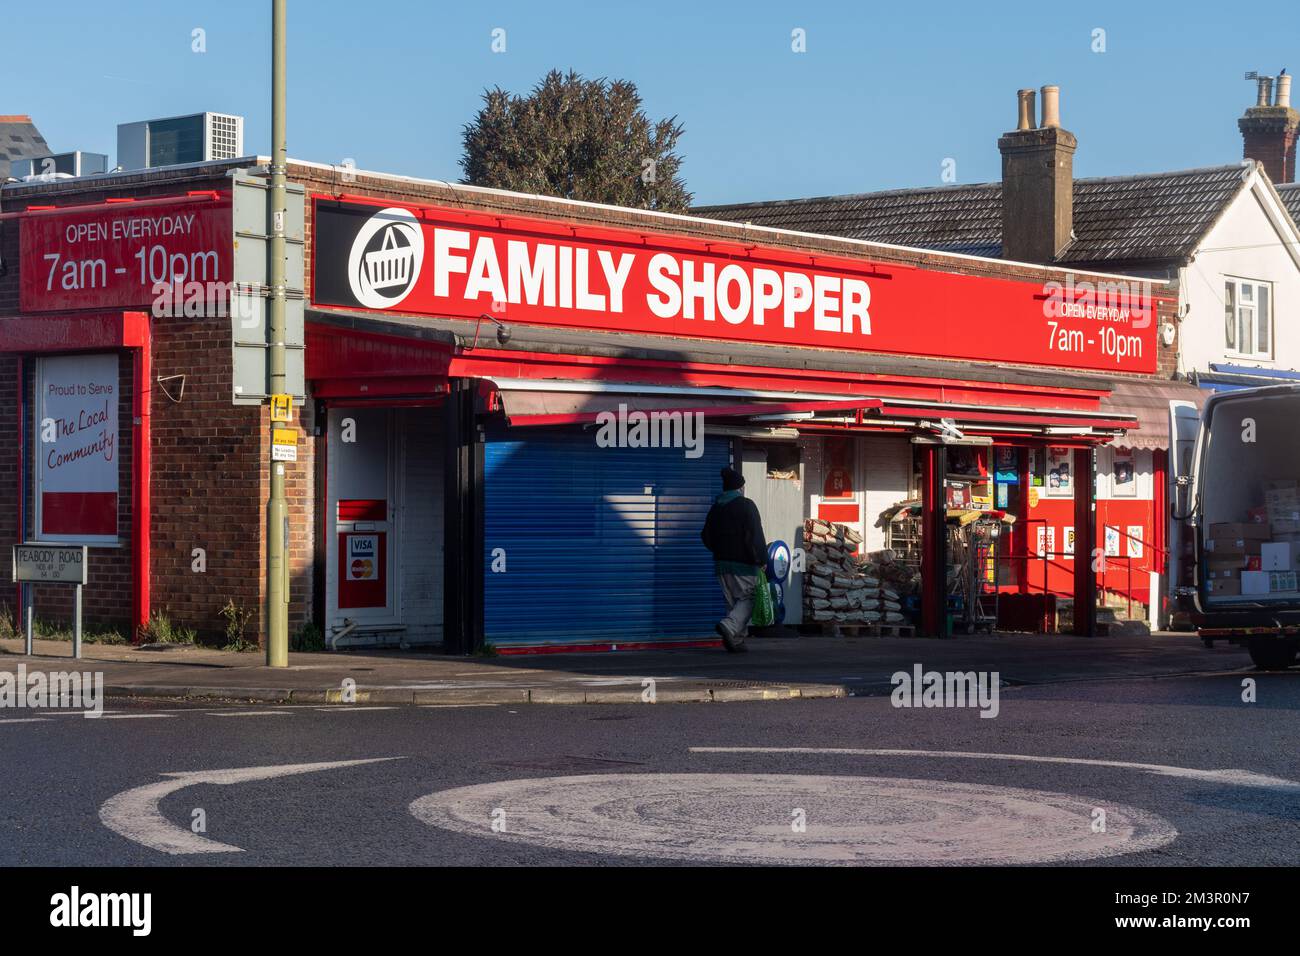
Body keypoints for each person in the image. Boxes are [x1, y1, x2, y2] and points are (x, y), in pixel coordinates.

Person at [700, 466, 768, 652]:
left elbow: (705, 535)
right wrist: (761, 559)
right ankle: (729, 627)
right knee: (750, 597)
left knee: (732, 602)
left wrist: (719, 551)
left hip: (721, 565)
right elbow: (755, 536)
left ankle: (736, 641)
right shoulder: (746, 505)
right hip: (744, 565)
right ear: (740, 488)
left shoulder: (716, 508)